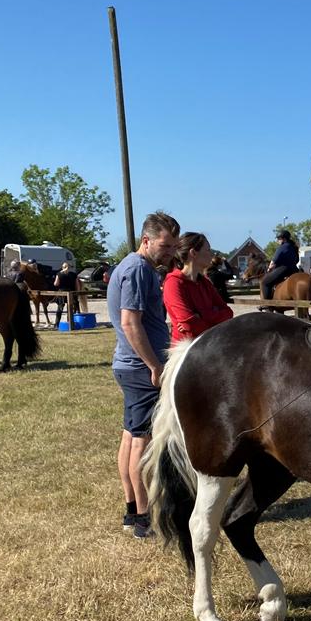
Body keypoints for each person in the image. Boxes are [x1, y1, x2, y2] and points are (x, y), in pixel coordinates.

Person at [108, 211, 180, 538]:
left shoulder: (135, 267)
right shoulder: (138, 270)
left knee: (130, 436)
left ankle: (130, 510)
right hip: (140, 370)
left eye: (173, 247)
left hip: (130, 366)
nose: (170, 253)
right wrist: (155, 365)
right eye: (165, 246)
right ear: (146, 240)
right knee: (141, 443)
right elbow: (129, 322)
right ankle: (141, 517)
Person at [163, 232, 233, 343]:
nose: (212, 255)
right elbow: (189, 324)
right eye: (208, 250)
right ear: (193, 253)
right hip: (185, 351)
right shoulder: (173, 283)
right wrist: (214, 317)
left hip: (208, 344)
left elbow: (228, 313)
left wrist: (201, 315)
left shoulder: (205, 282)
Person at [261, 229, 301, 300]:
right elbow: (297, 260)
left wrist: (269, 268)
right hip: (294, 270)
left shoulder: (282, 247)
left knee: (265, 282)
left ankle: (267, 304)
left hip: (284, 269)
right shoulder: (294, 247)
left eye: (279, 239)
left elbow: (273, 261)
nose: (278, 241)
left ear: (284, 239)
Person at [51, 261, 78, 328]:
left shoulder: (59, 274)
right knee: (70, 309)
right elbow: (77, 285)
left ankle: (57, 324)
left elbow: (56, 284)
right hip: (71, 293)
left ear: (63, 267)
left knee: (60, 309)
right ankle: (70, 323)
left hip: (62, 293)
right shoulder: (74, 274)